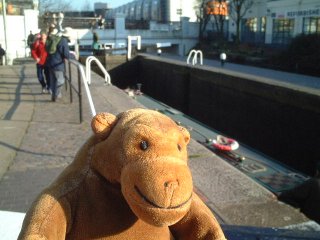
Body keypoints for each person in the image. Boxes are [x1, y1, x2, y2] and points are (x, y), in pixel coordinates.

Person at [45, 28, 71, 102]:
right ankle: (56, 95)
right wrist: (73, 57)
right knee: (60, 80)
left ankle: (54, 95)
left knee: (53, 81)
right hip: (58, 64)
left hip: (50, 63)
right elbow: (66, 54)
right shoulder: (63, 41)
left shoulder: (55, 39)